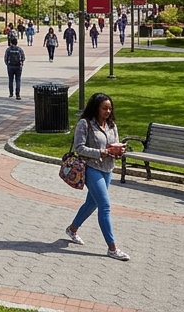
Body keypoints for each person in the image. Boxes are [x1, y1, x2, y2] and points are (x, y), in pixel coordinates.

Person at [65, 92, 130, 260]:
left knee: (92, 202)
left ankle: (72, 229)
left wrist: (118, 151)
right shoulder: (84, 124)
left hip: (107, 168)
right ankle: (112, 248)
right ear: (96, 108)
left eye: (110, 108)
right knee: (105, 205)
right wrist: (103, 151)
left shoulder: (111, 125)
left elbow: (113, 144)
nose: (108, 111)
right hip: (91, 167)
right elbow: (79, 148)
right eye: (104, 108)